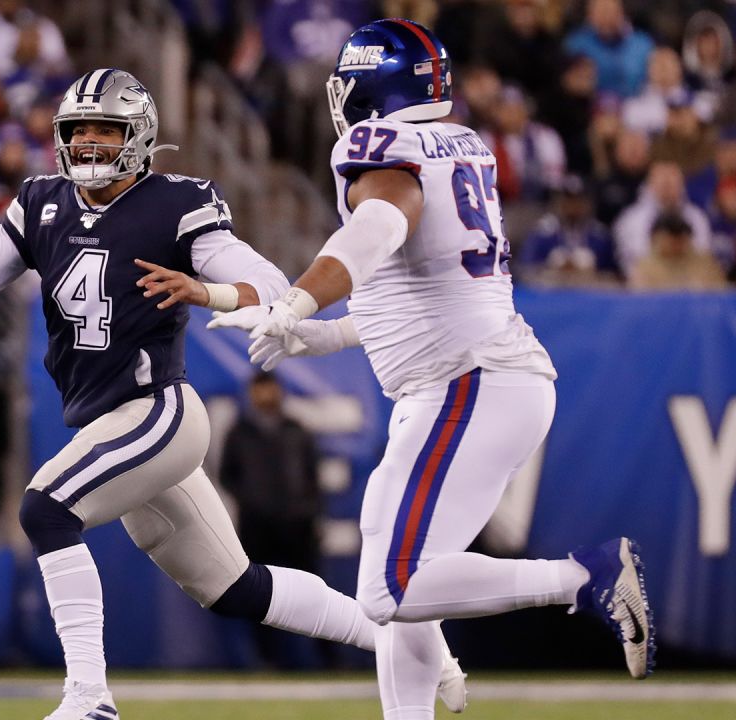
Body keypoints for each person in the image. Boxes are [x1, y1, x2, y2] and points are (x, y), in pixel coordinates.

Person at [0, 69, 465, 720]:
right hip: (107, 423)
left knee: (46, 510)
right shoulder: (39, 203)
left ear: (137, 136)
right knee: (235, 587)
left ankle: (88, 699)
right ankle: (410, 644)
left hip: (159, 413)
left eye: (103, 130)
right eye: (76, 130)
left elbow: (270, 283)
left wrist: (209, 292)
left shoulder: (176, 203)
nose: (86, 143)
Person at [210, 19, 655, 720]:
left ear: (374, 86)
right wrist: (315, 337)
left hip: (468, 385)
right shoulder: (462, 144)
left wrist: (297, 299)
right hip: (482, 379)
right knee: (400, 595)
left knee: (389, 589)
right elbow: (414, 303)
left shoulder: (381, 145)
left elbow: (380, 226)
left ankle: (586, 578)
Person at [221, 371, 324, 668]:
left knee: (314, 589)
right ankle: (267, 660)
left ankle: (330, 658)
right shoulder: (239, 432)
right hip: (257, 527)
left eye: (271, 388)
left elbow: (312, 476)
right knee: (261, 595)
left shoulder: (296, 429)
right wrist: (254, 502)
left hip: (297, 525)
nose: (266, 395)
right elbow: (228, 475)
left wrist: (306, 509)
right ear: (252, 393)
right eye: (260, 389)